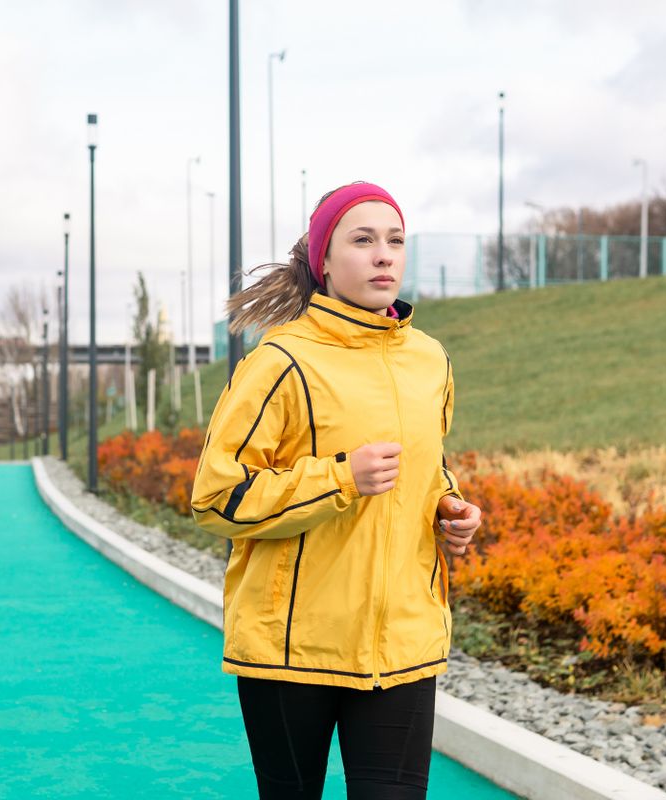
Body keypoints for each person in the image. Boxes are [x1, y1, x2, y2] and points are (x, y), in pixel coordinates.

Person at [190, 181, 483, 799]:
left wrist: (448, 507)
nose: (384, 255)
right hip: (290, 647)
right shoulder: (281, 360)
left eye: (396, 241)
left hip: (403, 644)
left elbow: (431, 468)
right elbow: (217, 494)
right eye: (363, 240)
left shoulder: (431, 360)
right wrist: (340, 478)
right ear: (323, 260)